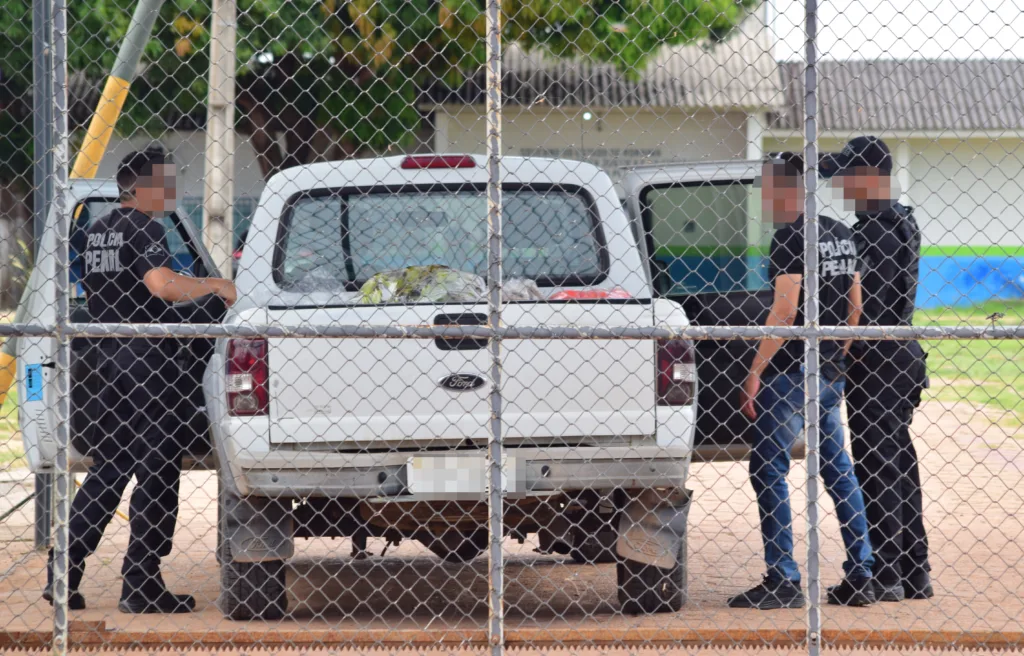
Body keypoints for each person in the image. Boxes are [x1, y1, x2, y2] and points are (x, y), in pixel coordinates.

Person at [43, 148, 237, 614]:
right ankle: (141, 582)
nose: (173, 189)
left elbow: (104, 290)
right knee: (158, 467)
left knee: (109, 469)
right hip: (146, 363)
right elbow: (162, 285)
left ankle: (63, 569)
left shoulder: (96, 230)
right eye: (167, 180)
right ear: (146, 185)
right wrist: (216, 288)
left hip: (104, 360)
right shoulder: (144, 225)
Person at [729, 153, 875, 610]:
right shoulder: (840, 233)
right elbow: (855, 305)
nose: (765, 200)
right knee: (839, 471)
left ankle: (783, 580)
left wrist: (754, 372)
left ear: (787, 190)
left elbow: (786, 310)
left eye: (769, 191)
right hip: (830, 370)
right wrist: (837, 356)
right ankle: (861, 574)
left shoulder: (790, 237)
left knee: (768, 468)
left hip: (790, 372)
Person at [819, 136, 932, 602]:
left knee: (878, 466)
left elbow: (868, 309)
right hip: (901, 353)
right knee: (899, 464)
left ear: (869, 176)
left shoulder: (874, 232)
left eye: (847, 175)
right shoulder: (900, 220)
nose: (840, 185)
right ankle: (913, 570)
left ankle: (885, 573)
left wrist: (839, 344)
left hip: (880, 358)